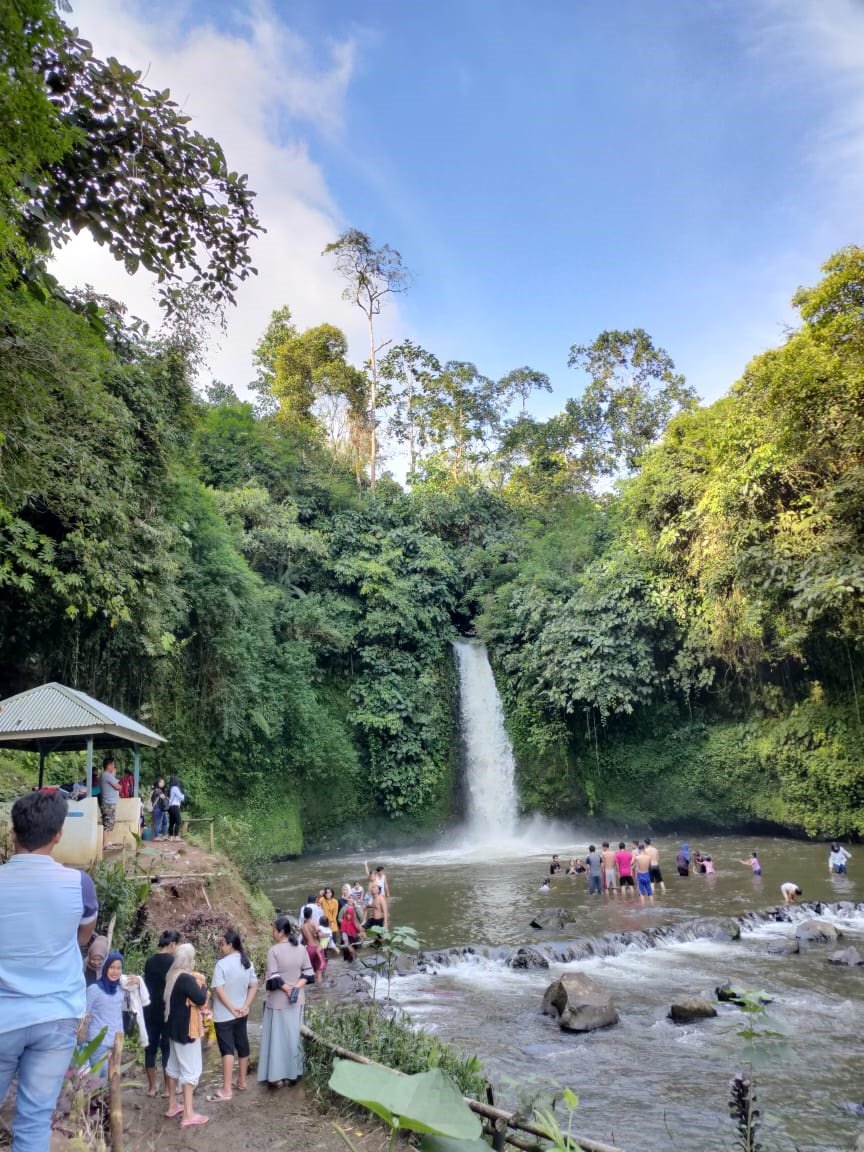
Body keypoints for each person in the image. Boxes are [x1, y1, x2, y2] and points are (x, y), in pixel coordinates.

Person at [0, 790, 99, 1152]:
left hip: (3, 1015)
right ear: (58, 834)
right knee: (35, 1120)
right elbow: (82, 936)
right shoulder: (79, 885)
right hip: (57, 1015)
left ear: (14, 833)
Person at [258, 916, 314, 1089]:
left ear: (281, 932)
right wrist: (295, 988)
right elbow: (308, 973)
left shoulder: (273, 951)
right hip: (297, 1002)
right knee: (293, 1037)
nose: (272, 932)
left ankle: (276, 1077)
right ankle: (294, 1074)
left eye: (273, 929)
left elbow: (274, 977)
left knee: (276, 1039)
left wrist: (288, 989)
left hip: (278, 1002)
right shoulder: (301, 949)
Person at [163, 942, 209, 1128]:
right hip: (186, 1032)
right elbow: (200, 998)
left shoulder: (171, 976)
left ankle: (173, 1105)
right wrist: (204, 985)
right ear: (189, 960)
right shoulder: (186, 978)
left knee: (173, 1067)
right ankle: (188, 1114)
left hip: (172, 1030)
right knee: (191, 1071)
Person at [208, 930, 257, 1102]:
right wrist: (245, 1006)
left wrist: (231, 1008)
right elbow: (254, 986)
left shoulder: (221, 965)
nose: (221, 947)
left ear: (230, 945)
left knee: (227, 1050)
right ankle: (242, 1081)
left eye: (222, 944)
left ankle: (226, 1089)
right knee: (242, 1044)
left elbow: (219, 990)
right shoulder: (247, 962)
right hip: (242, 1013)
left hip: (224, 1015)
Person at [82, 952, 140, 1074]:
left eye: (119, 968)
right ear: (105, 967)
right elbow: (83, 1014)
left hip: (116, 1042)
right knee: (98, 1081)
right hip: (98, 1042)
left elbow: (140, 998)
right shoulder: (94, 989)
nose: (115, 972)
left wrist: (138, 981)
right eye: (112, 967)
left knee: (112, 1081)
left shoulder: (122, 989)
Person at [143, 929, 180, 1097]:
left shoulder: (149, 962)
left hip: (150, 1009)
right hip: (167, 1010)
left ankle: (151, 1087)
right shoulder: (174, 962)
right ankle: (167, 1089)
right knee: (166, 1049)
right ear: (172, 944)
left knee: (150, 1048)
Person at [100, 756, 121, 850]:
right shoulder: (107, 775)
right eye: (113, 764)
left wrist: (113, 775)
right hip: (108, 803)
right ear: (108, 765)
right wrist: (113, 775)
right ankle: (105, 843)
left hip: (108, 802)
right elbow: (118, 787)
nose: (114, 766)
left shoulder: (106, 775)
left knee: (109, 822)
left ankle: (106, 842)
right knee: (108, 823)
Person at [300, 907, 324, 983]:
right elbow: (320, 934)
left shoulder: (302, 927)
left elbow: (303, 942)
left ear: (304, 915)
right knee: (319, 972)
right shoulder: (314, 923)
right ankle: (319, 990)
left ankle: (311, 991)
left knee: (309, 971)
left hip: (309, 949)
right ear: (311, 914)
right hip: (317, 948)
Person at [167, 776, 185, 841]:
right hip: (175, 806)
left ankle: (171, 836)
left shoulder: (171, 788)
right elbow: (181, 797)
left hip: (170, 807)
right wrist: (183, 795)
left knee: (172, 822)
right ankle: (176, 836)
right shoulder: (175, 788)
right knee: (178, 821)